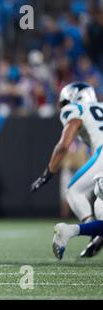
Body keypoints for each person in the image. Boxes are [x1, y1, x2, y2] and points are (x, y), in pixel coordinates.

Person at [31, 82, 103, 257]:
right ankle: (91, 233)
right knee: (100, 205)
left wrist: (48, 172)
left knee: (73, 191)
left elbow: (64, 145)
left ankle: (78, 231)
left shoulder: (76, 109)